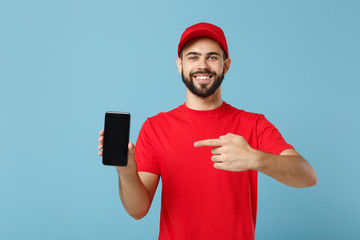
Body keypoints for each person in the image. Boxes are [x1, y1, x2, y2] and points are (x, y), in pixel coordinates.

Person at [98, 22, 317, 240]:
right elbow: (138, 211)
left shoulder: (254, 124)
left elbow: (307, 176)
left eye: (212, 57)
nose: (202, 65)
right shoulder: (155, 127)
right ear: (180, 65)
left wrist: (256, 159)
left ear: (226, 65)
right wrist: (126, 171)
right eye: (193, 57)